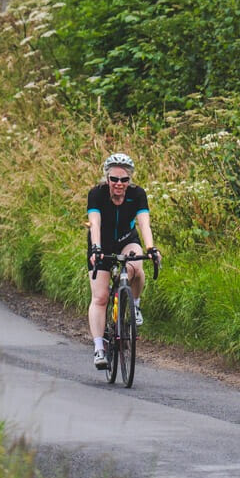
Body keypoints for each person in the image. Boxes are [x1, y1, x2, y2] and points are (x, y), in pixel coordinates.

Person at [86, 152, 158, 369]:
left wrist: (151, 248)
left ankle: (134, 305)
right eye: (114, 179)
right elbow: (95, 223)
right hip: (102, 243)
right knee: (100, 297)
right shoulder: (97, 194)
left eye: (124, 180)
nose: (119, 184)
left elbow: (144, 223)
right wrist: (96, 249)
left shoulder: (137, 194)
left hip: (127, 239)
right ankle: (99, 348)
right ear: (107, 178)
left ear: (130, 180)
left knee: (136, 265)